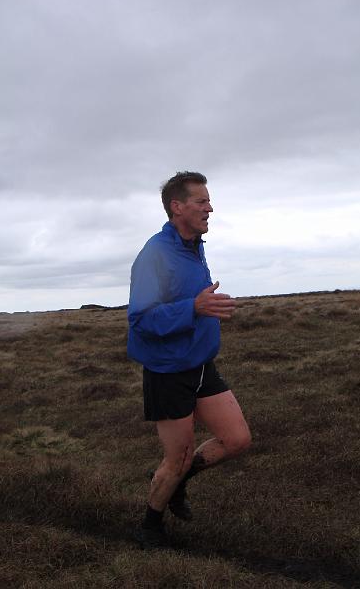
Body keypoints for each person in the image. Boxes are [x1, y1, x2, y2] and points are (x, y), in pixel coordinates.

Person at [127, 171, 251, 550]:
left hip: (200, 366)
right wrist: (194, 307)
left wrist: (201, 306)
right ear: (177, 207)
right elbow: (141, 319)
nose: (210, 207)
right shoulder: (155, 255)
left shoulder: (194, 245)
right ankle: (150, 524)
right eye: (201, 201)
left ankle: (177, 482)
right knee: (177, 458)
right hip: (168, 373)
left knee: (237, 440)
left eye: (209, 201)